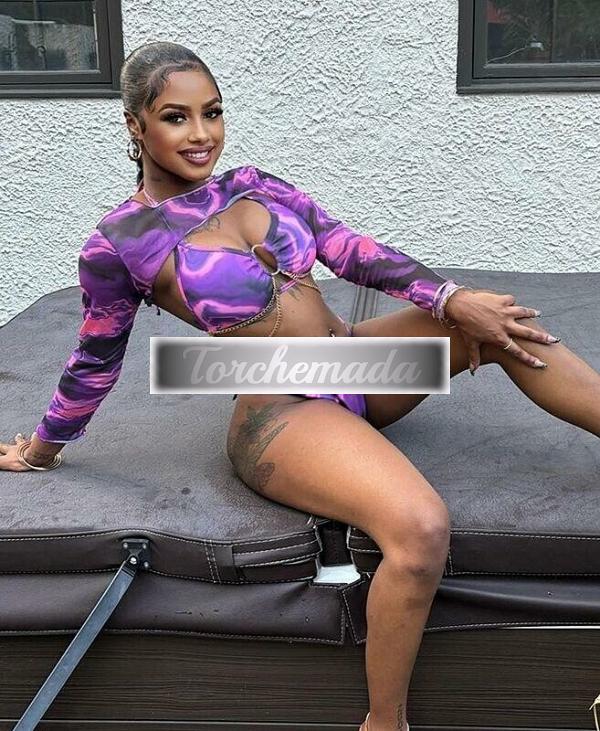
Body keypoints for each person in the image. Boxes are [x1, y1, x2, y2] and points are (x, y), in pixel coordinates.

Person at [2, 41, 600, 731]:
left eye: (212, 112)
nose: (201, 134)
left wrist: (450, 297)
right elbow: (95, 358)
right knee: (420, 529)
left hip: (353, 363)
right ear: (136, 126)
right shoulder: (120, 241)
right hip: (283, 411)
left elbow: (352, 251)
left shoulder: (255, 184)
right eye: (175, 117)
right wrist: (41, 450)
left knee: (504, 326)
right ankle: (384, 722)